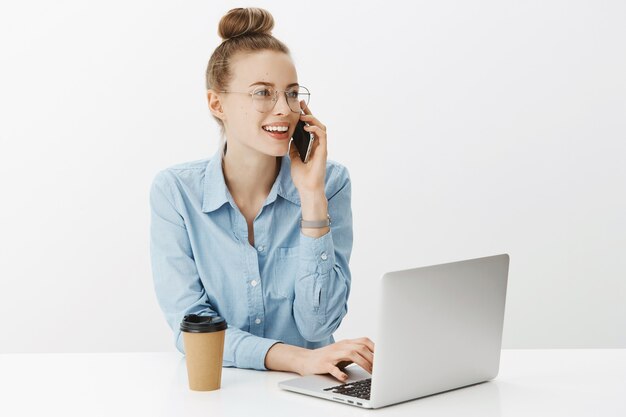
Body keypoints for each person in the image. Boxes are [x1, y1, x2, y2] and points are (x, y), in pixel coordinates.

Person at [149, 7, 373, 382]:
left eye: (291, 93)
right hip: (221, 390)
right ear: (216, 104)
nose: (284, 109)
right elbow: (192, 329)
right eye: (262, 93)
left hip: (314, 391)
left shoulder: (330, 183)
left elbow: (318, 327)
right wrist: (297, 358)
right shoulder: (176, 193)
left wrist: (312, 195)